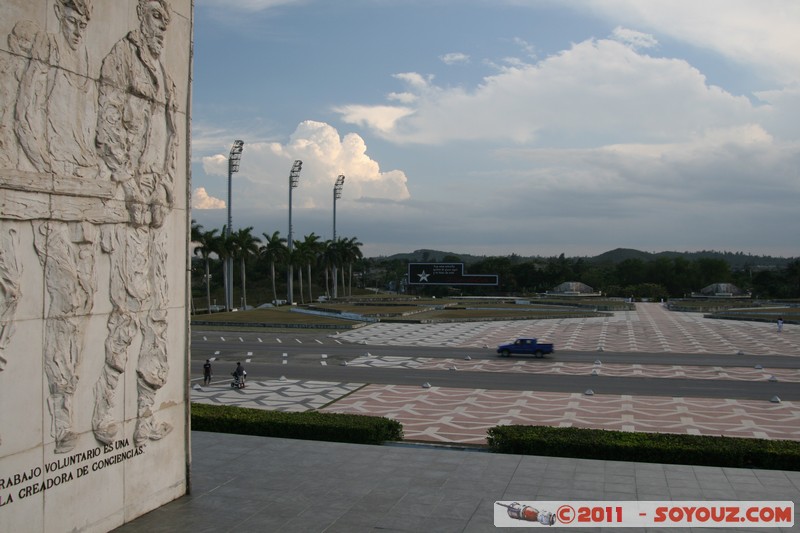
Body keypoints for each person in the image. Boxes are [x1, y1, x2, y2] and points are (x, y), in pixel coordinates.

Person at [12, 0, 98, 454]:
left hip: (80, 190)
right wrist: (50, 171)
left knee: (82, 301)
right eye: (75, 12)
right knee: (66, 299)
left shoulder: (84, 58)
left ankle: (67, 400)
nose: (82, 21)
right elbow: (27, 116)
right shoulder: (47, 49)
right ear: (62, 13)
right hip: (53, 188)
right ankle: (60, 410)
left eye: (87, 15)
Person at [91, 0, 177, 447]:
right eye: (156, 19)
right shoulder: (121, 58)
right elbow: (106, 125)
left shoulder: (166, 75)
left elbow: (171, 139)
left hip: (155, 212)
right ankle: (105, 411)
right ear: (141, 18)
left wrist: (164, 187)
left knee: (157, 319)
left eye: (167, 21)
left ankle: (144, 417)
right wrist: (127, 181)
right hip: (128, 209)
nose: (163, 27)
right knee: (126, 313)